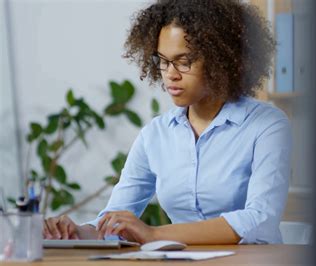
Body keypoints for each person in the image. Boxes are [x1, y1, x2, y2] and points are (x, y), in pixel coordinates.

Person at [43, 0, 292, 245]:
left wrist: (153, 234)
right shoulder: (155, 134)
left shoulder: (266, 125)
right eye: (163, 61)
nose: (170, 74)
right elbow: (116, 217)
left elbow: (260, 220)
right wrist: (76, 232)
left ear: (221, 60)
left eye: (184, 62)